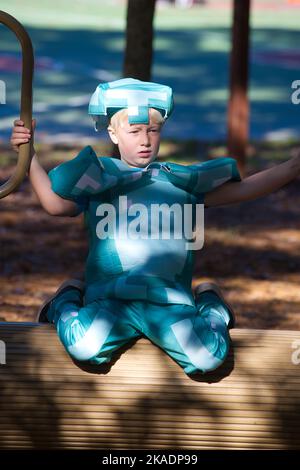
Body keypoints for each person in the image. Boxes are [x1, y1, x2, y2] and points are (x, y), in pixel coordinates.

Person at [10, 78, 300, 376]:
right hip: (112, 301)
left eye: (153, 130)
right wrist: (28, 155)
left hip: (169, 302)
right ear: (112, 132)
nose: (145, 140)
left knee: (207, 358)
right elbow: (54, 205)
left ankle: (211, 303)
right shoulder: (100, 178)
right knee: (85, 347)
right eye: (134, 131)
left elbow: (247, 188)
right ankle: (66, 298)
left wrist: (292, 166)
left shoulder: (180, 182)